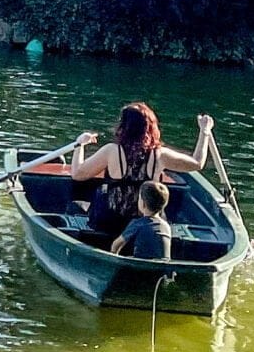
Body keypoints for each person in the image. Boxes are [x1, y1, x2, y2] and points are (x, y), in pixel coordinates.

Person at [56, 102, 214, 245]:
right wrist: (204, 132)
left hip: (110, 223)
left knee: (77, 205)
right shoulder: (160, 155)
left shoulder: (111, 151)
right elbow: (197, 163)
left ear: (123, 127)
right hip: (147, 225)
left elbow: (77, 174)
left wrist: (80, 145)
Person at [111, 180, 174, 263]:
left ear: (143, 203)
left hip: (141, 267)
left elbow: (116, 244)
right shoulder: (166, 226)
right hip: (162, 268)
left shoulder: (138, 224)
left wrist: (114, 259)